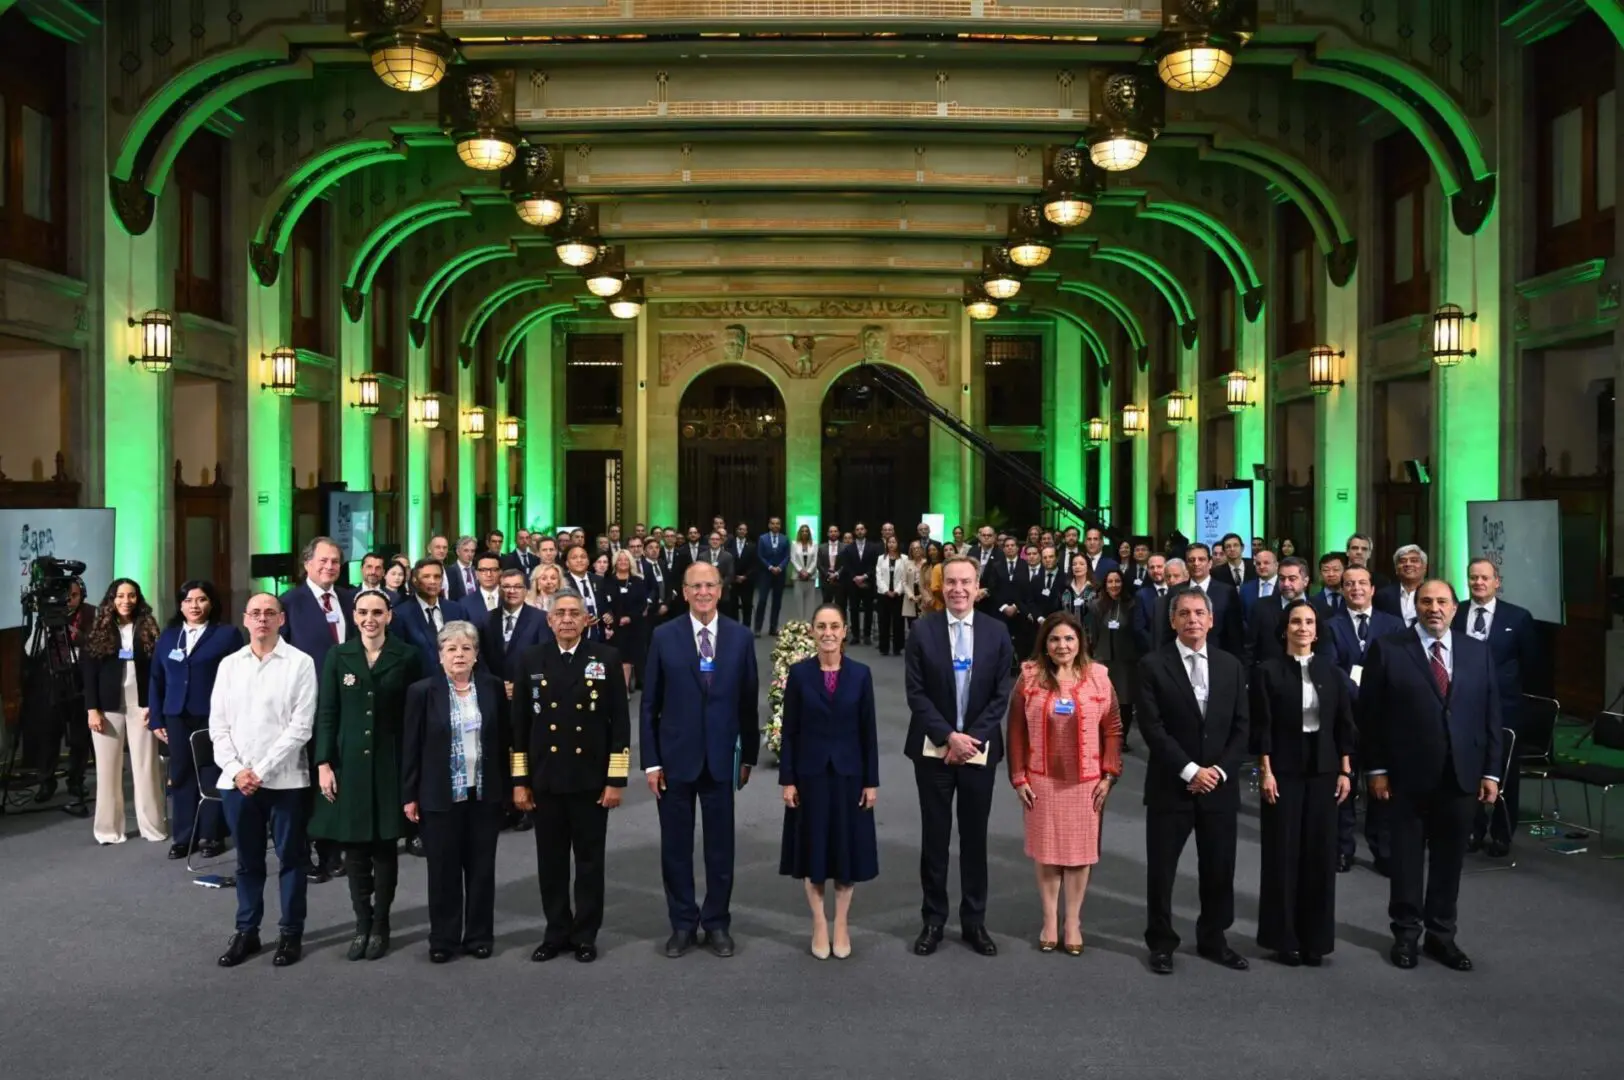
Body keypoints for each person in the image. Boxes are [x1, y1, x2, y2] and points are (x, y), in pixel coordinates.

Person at [1362, 580, 1502, 972]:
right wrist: (1376, 769)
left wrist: (1491, 772)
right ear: (1415, 607)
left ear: (1455, 609)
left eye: (1442, 602)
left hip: (1461, 776)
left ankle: (1442, 937)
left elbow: (1491, 717)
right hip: (1405, 777)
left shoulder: (1478, 652)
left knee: (1449, 862)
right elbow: (1370, 717)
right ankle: (1406, 936)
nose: (1434, 608)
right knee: (1406, 861)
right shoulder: (1389, 649)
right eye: (1426, 601)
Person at [640, 560, 760, 958]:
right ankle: (682, 923)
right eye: (696, 586)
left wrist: (749, 756)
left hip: (721, 759)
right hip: (675, 761)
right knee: (675, 848)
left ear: (720, 590)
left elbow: (747, 701)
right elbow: (649, 704)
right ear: (685, 592)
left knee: (720, 849)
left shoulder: (741, 638)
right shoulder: (664, 636)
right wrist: (652, 762)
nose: (704, 592)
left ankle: (717, 923)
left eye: (710, 585)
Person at [903, 555, 1015, 958]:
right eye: (950, 582)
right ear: (940, 587)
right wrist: (949, 736)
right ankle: (933, 920)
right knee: (935, 838)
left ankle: (974, 922)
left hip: (979, 751)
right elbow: (915, 693)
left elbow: (1002, 693)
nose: (958, 589)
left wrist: (970, 739)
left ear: (977, 585)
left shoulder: (997, 632)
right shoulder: (922, 631)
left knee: (974, 838)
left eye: (965, 582)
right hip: (934, 751)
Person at [511, 589, 631, 963]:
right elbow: (519, 726)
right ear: (549, 620)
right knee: (551, 862)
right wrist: (520, 781)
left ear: (585, 620)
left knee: (590, 862)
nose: (566, 619)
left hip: (591, 780)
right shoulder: (531, 658)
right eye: (559, 613)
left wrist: (616, 781)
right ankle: (556, 931)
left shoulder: (605, 658)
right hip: (546, 779)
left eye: (574, 613)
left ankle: (585, 934)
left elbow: (620, 726)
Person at [1137, 589, 1250, 974]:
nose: (1192, 620)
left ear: (1211, 619)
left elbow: (1242, 726)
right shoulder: (1153, 665)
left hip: (1219, 786)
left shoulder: (1231, 665)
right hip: (1172, 785)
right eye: (1183, 613)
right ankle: (1161, 942)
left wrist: (1217, 772)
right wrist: (1190, 771)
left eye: (1200, 612)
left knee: (1219, 868)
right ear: (1172, 621)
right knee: (1162, 870)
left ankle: (1214, 939)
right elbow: (1152, 728)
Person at [310, 589, 424, 961]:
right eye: (362, 612)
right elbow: (327, 712)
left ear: (389, 615)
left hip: (391, 763)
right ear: (354, 615)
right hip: (350, 766)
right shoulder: (338, 656)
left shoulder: (407, 656)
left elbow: (417, 714)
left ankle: (382, 924)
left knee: (385, 847)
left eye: (377, 611)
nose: (369, 619)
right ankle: (362, 922)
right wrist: (324, 764)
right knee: (354, 848)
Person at [210, 593, 318, 968]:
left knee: (291, 859)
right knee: (247, 861)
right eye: (255, 614)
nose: (262, 619)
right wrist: (239, 770)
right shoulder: (229, 665)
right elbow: (217, 726)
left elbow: (300, 728)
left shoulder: (300, 664)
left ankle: (291, 933)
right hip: (237, 782)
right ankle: (247, 932)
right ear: (245, 619)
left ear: (281, 619)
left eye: (269, 613)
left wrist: (262, 770)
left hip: (286, 780)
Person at [1007, 611, 1122, 955]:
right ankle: (1048, 920)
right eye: (1055, 639)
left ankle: (1072, 921)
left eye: (1069, 639)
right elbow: (1015, 729)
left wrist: (1109, 773)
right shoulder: (1029, 677)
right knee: (1047, 853)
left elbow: (1114, 728)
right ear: (1045, 642)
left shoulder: (1099, 677)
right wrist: (1018, 776)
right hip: (1041, 780)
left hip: (1085, 783)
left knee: (1077, 855)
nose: (1062, 645)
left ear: (1080, 642)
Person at [1251, 600, 1355, 966]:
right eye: (1295, 621)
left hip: (1324, 770)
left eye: (1309, 622)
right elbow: (1261, 727)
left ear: (1317, 629)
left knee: (1320, 856)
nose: (1302, 628)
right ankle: (1285, 939)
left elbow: (1344, 723)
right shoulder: (1268, 671)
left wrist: (1345, 770)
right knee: (1283, 855)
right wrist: (1265, 770)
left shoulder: (1331, 670)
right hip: (1283, 772)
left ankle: (1316, 940)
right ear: (1285, 628)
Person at [402, 621, 511, 963]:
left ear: (477, 655)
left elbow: (505, 738)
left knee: (481, 870)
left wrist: (509, 788)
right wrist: (409, 794)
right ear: (440, 656)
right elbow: (411, 747)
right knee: (443, 871)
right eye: (451, 649)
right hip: (440, 796)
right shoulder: (421, 691)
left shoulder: (492, 687)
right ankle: (443, 939)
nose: (459, 655)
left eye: (466, 648)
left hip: (483, 794)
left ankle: (479, 935)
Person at [778, 603, 879, 959]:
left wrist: (872, 782)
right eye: (821, 626)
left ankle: (841, 923)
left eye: (834, 626)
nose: (828, 633)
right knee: (814, 851)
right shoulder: (799, 674)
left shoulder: (861, 674)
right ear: (812, 631)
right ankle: (820, 921)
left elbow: (869, 732)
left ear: (845, 631)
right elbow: (789, 731)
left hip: (851, 776)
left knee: (845, 851)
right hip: (810, 776)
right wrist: (787, 780)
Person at [280, 536, 356, 882]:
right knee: (308, 777)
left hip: (347, 701)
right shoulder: (290, 603)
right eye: (323, 561)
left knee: (338, 772)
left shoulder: (350, 599)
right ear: (307, 564)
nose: (330, 567)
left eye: (335, 562)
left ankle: (334, 847)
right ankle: (307, 849)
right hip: (304, 702)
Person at [149, 580, 240, 859]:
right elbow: (156, 678)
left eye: (201, 600)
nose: (194, 606)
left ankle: (211, 835)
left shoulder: (226, 634)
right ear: (180, 604)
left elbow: (238, 678)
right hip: (176, 714)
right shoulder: (169, 636)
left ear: (211, 603)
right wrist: (156, 718)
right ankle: (184, 836)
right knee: (181, 775)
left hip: (212, 715)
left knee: (211, 772)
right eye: (188, 600)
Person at [1454, 559, 1540, 857]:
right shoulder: (1457, 612)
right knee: (1469, 769)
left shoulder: (1518, 617)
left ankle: (1502, 833)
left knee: (1504, 771)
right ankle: (1474, 829)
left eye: (1484, 578)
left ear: (1496, 582)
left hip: (1505, 707)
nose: (1478, 583)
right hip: (1464, 705)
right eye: (1473, 578)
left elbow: (1531, 665)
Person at [1322, 564, 1403, 874]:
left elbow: (1396, 667)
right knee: (1343, 786)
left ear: (1372, 589)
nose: (1356, 588)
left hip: (1382, 720)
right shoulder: (1330, 625)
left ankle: (1383, 851)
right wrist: (1358, 692)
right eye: (1349, 584)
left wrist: (1373, 693)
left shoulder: (1393, 625)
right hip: (1344, 717)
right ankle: (1342, 849)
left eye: (1361, 583)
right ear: (1342, 590)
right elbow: (1331, 668)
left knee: (1381, 788)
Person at [81, 578, 166, 846]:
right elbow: (88, 673)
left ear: (138, 599)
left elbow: (158, 670)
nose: (125, 601)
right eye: (120, 596)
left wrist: (155, 704)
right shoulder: (98, 628)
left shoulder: (148, 627)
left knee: (146, 767)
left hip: (142, 704)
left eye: (131, 595)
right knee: (107, 771)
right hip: (107, 706)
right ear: (111, 599)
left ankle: (152, 827)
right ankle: (108, 830)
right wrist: (92, 709)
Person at [20, 576, 94, 805]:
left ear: (82, 595)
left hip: (81, 678)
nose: (70, 600)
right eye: (66, 596)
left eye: (75, 595)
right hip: (53, 680)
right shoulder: (48, 616)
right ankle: (46, 781)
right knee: (50, 733)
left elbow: (96, 644)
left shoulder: (92, 614)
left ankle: (76, 780)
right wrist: (44, 628)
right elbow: (30, 651)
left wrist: (73, 631)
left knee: (80, 735)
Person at [1085, 569, 1139, 751]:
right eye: (1110, 582)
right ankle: (1102, 736)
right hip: (1103, 659)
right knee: (1102, 700)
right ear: (1105, 584)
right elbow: (1092, 633)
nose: (1114, 585)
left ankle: (1121, 738)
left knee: (1124, 700)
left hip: (1126, 661)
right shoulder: (1096, 606)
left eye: (1117, 581)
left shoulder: (1131, 604)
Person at [391, 558, 470, 675]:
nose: (433, 581)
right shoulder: (400, 614)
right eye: (426, 577)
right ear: (415, 580)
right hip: (419, 684)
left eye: (437, 577)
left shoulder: (457, 610)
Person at [479, 568, 554, 689]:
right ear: (499, 590)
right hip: (493, 690)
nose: (512, 591)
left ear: (526, 591)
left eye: (518, 586)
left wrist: (521, 685)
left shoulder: (541, 619)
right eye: (506, 587)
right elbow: (480, 657)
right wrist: (495, 685)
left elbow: (545, 659)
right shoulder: (486, 619)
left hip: (527, 691)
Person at [1243, 556, 1312, 668]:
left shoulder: (1321, 609)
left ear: (1305, 581)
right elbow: (1250, 649)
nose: (1286, 584)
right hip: (1269, 677)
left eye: (1292, 579)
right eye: (1282, 578)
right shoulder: (1260, 607)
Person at [606, 549, 650, 690]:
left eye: (626, 560)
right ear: (615, 562)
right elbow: (604, 603)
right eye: (620, 560)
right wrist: (613, 619)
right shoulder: (608, 581)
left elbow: (642, 604)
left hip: (633, 626)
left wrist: (630, 618)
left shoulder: (637, 581)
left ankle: (623, 689)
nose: (623, 562)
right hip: (613, 626)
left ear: (630, 562)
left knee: (627, 659)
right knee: (615, 658)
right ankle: (615, 688)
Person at [840, 523, 879, 644]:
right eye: (857, 529)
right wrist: (855, 578)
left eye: (862, 529)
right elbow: (847, 566)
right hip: (853, 583)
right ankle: (856, 635)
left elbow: (875, 565)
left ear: (865, 531)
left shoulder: (873, 547)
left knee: (868, 609)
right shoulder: (848, 548)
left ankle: (867, 635)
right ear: (854, 532)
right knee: (853, 609)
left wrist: (865, 576)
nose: (860, 531)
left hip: (868, 582)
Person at [754, 516, 791, 635]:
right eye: (773, 523)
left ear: (780, 526)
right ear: (769, 525)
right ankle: (758, 628)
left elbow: (787, 556)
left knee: (777, 601)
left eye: (777, 524)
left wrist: (780, 567)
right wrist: (770, 567)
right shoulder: (762, 538)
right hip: (766, 573)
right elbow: (759, 556)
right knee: (762, 600)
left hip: (779, 574)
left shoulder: (785, 539)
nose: (775, 526)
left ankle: (773, 628)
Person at [1374, 544, 1428, 626]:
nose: (1408, 564)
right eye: (1403, 561)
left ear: (1424, 567)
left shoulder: (1436, 594)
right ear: (1396, 569)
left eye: (1414, 560)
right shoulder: (1382, 596)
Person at [873, 535, 908, 656]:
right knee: (883, 621)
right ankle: (884, 648)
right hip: (884, 594)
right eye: (889, 542)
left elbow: (905, 577)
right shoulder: (881, 558)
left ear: (898, 544)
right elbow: (878, 576)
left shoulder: (904, 558)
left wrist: (897, 590)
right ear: (886, 544)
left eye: (894, 542)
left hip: (898, 595)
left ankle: (897, 647)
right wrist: (886, 590)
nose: (892, 544)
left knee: (898, 622)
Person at [1237, 548, 1280, 621]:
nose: (1262, 566)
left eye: (1266, 563)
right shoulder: (1246, 589)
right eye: (1258, 564)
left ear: (1276, 565)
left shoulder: (1285, 586)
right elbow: (1241, 617)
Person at [790, 523, 819, 623]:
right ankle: (799, 624)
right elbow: (793, 559)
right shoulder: (794, 544)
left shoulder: (814, 544)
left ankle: (808, 624)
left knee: (810, 602)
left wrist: (808, 572)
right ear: (799, 533)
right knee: (798, 602)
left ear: (809, 533)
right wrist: (801, 571)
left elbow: (815, 560)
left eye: (806, 531)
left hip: (810, 577)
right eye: (802, 531)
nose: (804, 533)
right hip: (798, 577)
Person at [443, 536, 480, 604]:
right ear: (458, 552)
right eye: (466, 550)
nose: (470, 554)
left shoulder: (478, 570)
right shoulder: (449, 572)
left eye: (472, 551)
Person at [902, 541, 928, 636]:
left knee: (924, 624)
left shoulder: (927, 563)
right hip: (911, 596)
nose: (916, 550)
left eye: (918, 548)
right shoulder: (907, 563)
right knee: (912, 624)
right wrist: (911, 595)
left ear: (922, 549)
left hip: (925, 594)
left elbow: (930, 582)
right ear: (911, 551)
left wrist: (922, 596)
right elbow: (904, 582)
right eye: (914, 549)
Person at [820, 524, 845, 613]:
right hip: (826, 580)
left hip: (840, 580)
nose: (833, 533)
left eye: (835, 531)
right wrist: (828, 574)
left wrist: (836, 574)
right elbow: (819, 564)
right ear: (827, 534)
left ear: (838, 533)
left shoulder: (844, 547)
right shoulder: (821, 547)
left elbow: (845, 564)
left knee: (840, 607)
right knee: (826, 607)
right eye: (831, 531)